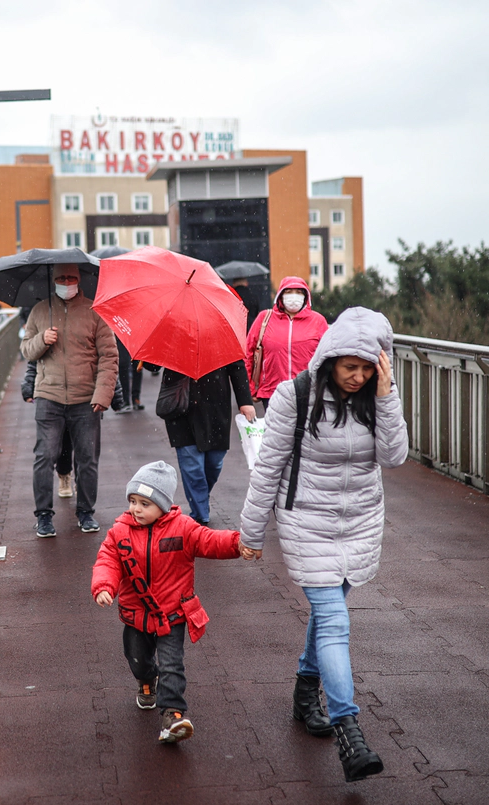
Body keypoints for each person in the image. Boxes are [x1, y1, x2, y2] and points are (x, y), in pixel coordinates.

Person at [238, 307, 408, 783]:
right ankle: (348, 729)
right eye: (348, 366)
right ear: (330, 358)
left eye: (367, 367)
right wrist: (250, 532)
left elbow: (395, 457)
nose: (357, 376)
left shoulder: (380, 395)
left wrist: (387, 394)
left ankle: (305, 688)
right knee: (334, 619)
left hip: (359, 522)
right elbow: (268, 465)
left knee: (326, 613)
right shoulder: (296, 394)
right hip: (307, 521)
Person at [91, 461, 243, 745]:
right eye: (133, 501)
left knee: (173, 664)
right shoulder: (120, 532)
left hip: (172, 613)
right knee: (138, 660)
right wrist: (104, 586)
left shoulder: (183, 528)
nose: (136, 509)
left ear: (163, 505)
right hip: (135, 614)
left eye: (145, 504)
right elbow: (107, 560)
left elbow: (210, 541)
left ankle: (173, 714)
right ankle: (146, 680)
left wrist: (237, 543)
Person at [20, 262, 118, 537]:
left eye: (71, 277)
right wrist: (42, 339)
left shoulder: (95, 313)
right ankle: (43, 516)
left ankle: (86, 512)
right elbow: (27, 350)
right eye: (61, 277)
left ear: (79, 280)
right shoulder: (40, 311)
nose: (66, 282)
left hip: (85, 398)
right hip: (48, 396)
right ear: (53, 280)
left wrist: (103, 395)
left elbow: (109, 357)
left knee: (87, 458)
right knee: (44, 457)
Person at [159, 360, 256, 526]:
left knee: (215, 462)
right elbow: (151, 366)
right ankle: (200, 513)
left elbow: (236, 365)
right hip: (181, 405)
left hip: (216, 405)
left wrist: (245, 401)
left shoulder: (222, 334)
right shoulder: (170, 334)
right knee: (193, 466)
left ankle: (200, 497)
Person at [244, 276, 328, 414]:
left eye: (299, 292)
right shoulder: (265, 318)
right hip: (272, 392)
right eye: (288, 292)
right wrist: (250, 388)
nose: (293, 296)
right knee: (278, 433)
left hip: (308, 393)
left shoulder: (318, 321)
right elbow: (248, 354)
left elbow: (327, 357)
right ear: (280, 296)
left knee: (306, 434)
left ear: (306, 296)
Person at [21, 360, 78, 498]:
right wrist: (28, 385)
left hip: (82, 392)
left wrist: (114, 393)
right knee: (62, 441)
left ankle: (83, 484)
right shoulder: (46, 338)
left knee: (85, 447)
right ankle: (64, 475)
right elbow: (35, 359)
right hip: (51, 394)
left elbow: (103, 358)